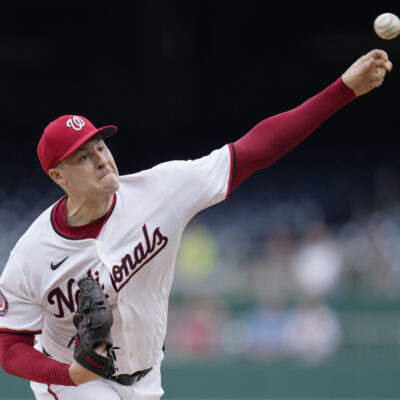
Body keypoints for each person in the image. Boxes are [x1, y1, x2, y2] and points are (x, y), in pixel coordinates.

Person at [0, 49, 392, 400]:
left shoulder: (161, 191)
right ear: (58, 176)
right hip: (74, 386)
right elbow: (9, 344)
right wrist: (68, 374)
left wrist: (343, 90)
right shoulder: (32, 255)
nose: (102, 159)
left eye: (100, 145)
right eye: (82, 156)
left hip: (147, 375)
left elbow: (257, 149)